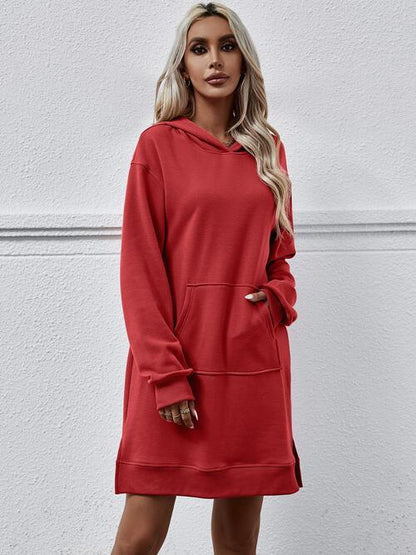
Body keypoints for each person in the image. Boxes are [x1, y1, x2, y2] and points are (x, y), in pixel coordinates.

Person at [111, 2, 303, 553]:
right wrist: (166, 375)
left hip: (252, 360)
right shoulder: (157, 146)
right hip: (177, 364)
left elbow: (280, 258)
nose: (214, 60)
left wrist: (275, 300)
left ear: (243, 60)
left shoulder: (267, 149)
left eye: (227, 46)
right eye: (200, 49)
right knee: (140, 534)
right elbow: (140, 271)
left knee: (239, 540)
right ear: (184, 65)